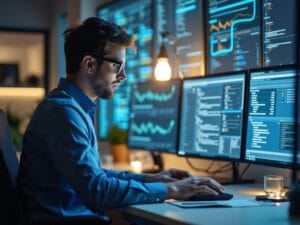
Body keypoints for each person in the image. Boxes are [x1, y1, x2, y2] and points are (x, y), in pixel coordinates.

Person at [18, 17, 224, 220]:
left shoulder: (69, 107)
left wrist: (152, 178)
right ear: (89, 64)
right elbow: (98, 191)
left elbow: (95, 176)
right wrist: (171, 190)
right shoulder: (64, 114)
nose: (123, 75)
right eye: (117, 66)